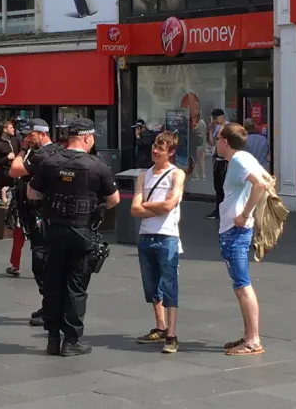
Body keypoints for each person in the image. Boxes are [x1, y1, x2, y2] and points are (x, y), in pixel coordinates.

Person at [28, 118, 120, 356]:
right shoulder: (96, 165)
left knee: (53, 285)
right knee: (76, 287)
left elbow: (32, 192)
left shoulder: (49, 162)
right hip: (81, 232)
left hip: (54, 230)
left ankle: (51, 338)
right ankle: (71, 340)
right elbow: (114, 199)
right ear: (88, 138)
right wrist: (97, 207)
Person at [131, 131, 186, 354]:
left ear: (170, 152)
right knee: (151, 285)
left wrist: (147, 207)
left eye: (161, 148)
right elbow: (134, 209)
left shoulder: (176, 174)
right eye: (155, 146)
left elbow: (168, 206)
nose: (155, 151)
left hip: (167, 236)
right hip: (146, 236)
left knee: (169, 284)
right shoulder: (143, 176)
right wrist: (157, 206)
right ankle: (160, 326)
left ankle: (171, 335)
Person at [217, 123, 268, 356]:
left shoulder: (238, 161)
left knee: (242, 285)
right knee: (240, 285)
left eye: (218, 138)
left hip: (236, 230)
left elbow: (261, 183)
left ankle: (253, 340)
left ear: (225, 142)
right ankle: (249, 335)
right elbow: (267, 178)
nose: (216, 143)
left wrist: (245, 213)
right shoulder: (245, 158)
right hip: (235, 230)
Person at [9, 118, 63, 326]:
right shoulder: (54, 151)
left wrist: (22, 151)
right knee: (44, 260)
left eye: (29, 136)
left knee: (41, 261)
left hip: (42, 214)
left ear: (41, 134)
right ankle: (49, 303)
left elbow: (15, 169)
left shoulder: (41, 154)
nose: (26, 139)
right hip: (41, 214)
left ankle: (51, 307)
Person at [206, 109, 228, 220]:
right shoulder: (218, 128)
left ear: (222, 116)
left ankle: (223, 210)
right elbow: (211, 142)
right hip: (217, 160)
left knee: (224, 187)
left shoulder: (228, 128)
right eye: (213, 118)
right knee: (218, 186)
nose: (215, 120)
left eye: (216, 118)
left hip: (224, 161)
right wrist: (210, 130)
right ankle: (218, 209)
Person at [0, 121, 20, 205]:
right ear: (5, 129)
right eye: (11, 128)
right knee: (6, 193)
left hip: (16, 170)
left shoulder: (15, 140)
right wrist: (7, 158)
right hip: (5, 172)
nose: (13, 129)